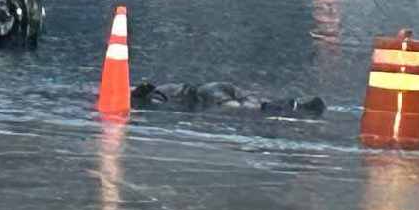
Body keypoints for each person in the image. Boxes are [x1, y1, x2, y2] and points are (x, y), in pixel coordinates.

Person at [131, 82, 326, 117]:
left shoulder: (163, 94)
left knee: (237, 107)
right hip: (213, 90)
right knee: (249, 105)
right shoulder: (164, 91)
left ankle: (289, 105)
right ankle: (293, 105)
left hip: (205, 92)